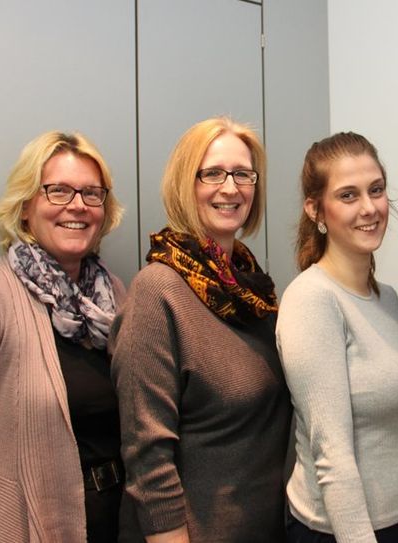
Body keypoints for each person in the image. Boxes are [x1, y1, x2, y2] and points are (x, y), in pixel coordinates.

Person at [0, 131, 127, 541]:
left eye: (91, 193)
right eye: (58, 191)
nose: (78, 206)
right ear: (26, 207)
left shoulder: (116, 298)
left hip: (117, 524)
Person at [110, 117, 291, 543]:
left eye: (242, 174)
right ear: (184, 184)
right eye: (212, 173)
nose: (230, 188)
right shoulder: (158, 291)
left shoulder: (254, 292)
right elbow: (147, 454)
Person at [276, 132, 398, 543]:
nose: (369, 208)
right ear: (315, 209)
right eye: (348, 195)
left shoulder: (387, 298)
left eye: (376, 190)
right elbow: (332, 457)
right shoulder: (311, 300)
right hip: (344, 531)